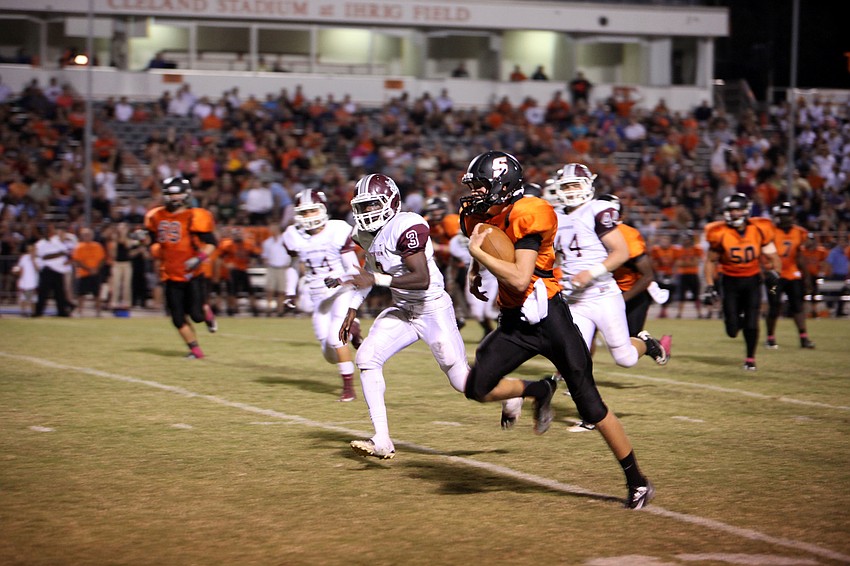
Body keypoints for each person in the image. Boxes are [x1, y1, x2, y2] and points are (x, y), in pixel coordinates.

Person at [459, 151, 655, 509]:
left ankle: (636, 479)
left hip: (550, 316)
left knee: (590, 404)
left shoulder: (529, 212)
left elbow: (519, 278)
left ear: (502, 184)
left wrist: (480, 256)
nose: (475, 193)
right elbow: (486, 239)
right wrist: (475, 268)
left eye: (481, 185)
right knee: (476, 386)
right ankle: (537, 389)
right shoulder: (480, 215)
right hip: (516, 320)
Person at [339, 174, 471, 460]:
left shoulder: (406, 224)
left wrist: (374, 279)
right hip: (403, 310)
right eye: (362, 207)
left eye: (373, 205)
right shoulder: (363, 234)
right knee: (366, 358)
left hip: (432, 308)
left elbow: (420, 278)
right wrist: (352, 308)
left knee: (461, 382)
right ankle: (382, 439)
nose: (366, 213)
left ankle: (512, 396)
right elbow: (368, 272)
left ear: (391, 202)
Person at [551, 164, 670, 371]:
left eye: (575, 185)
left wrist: (591, 273)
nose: (571, 191)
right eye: (567, 186)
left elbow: (621, 253)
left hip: (603, 294)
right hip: (575, 298)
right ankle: (581, 395)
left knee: (625, 358)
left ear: (588, 185)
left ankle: (647, 344)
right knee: (575, 354)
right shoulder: (555, 216)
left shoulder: (597, 209)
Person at [281, 189, 363, 402]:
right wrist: (290, 292)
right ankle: (353, 331)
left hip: (341, 291)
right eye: (304, 212)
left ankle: (348, 388)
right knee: (328, 354)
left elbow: (353, 266)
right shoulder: (292, 235)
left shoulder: (338, 229)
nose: (309, 216)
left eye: (312, 211)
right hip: (317, 295)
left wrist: (342, 279)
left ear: (323, 209)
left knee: (337, 339)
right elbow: (292, 265)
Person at [703, 193, 782, 371]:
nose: (734, 213)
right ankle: (737, 322)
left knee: (752, 321)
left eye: (737, 209)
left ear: (746, 211)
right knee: (732, 330)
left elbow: (773, 256)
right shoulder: (720, 232)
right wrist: (709, 285)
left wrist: (775, 273)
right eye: (731, 210)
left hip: (752, 281)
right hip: (729, 282)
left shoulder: (759, 229)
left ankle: (750, 358)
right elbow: (710, 261)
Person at [143, 176, 218, 359]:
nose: (173, 197)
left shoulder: (195, 215)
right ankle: (195, 350)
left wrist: (199, 259)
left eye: (177, 194)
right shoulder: (156, 215)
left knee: (197, 316)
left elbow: (211, 243)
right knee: (177, 318)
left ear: (186, 195)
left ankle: (206, 311)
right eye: (170, 194)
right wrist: (141, 237)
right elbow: (152, 238)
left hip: (192, 273)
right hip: (169, 273)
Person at [765, 202, 815, 349]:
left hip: (793, 274)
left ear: (791, 216)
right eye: (780, 216)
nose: (781, 219)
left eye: (784, 216)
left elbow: (800, 256)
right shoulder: (771, 231)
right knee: (774, 306)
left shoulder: (799, 232)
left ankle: (804, 337)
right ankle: (770, 337)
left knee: (797, 306)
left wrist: (806, 277)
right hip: (774, 274)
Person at [218, 228, 260, 316]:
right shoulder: (228, 244)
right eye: (236, 234)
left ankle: (254, 308)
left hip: (244, 269)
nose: (238, 236)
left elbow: (255, 255)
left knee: (250, 290)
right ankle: (232, 308)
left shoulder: (247, 244)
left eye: (239, 234)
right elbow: (220, 257)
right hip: (233, 270)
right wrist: (226, 264)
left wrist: (253, 261)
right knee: (232, 290)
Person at [34, 223, 73, 318]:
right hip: (47, 270)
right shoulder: (40, 244)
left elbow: (68, 253)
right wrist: (60, 254)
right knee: (43, 293)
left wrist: (67, 259)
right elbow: (44, 257)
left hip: (59, 271)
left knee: (59, 293)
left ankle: (62, 312)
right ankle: (38, 312)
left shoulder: (57, 241)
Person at [70, 227, 107, 317]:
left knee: (97, 294)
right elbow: (77, 261)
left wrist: (96, 268)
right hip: (83, 273)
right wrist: (89, 269)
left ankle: (98, 312)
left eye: (89, 234)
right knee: (81, 294)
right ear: (82, 236)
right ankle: (80, 311)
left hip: (96, 273)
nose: (88, 236)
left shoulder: (98, 246)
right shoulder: (79, 247)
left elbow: (102, 259)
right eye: (85, 235)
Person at [260, 222, 292, 317]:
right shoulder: (267, 242)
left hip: (283, 267)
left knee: (282, 290)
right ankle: (269, 309)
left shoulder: (285, 240)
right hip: (272, 267)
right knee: (270, 289)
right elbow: (265, 255)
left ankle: (280, 309)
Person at [673, 231, 705, 319]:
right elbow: (677, 263)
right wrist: (689, 262)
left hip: (693, 273)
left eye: (686, 238)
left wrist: (685, 263)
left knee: (696, 295)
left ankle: (699, 313)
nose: (685, 240)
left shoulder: (696, 249)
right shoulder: (678, 250)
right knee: (681, 296)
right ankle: (679, 313)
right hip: (682, 274)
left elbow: (696, 262)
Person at [799, 234, 828, 318]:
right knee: (801, 294)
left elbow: (825, 262)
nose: (809, 241)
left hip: (814, 276)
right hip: (803, 275)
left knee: (815, 294)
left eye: (811, 239)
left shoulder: (820, 251)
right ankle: (802, 311)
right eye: (808, 239)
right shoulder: (802, 250)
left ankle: (814, 311)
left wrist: (822, 271)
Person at [13, 242, 39, 317]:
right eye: (30, 250)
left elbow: (37, 269)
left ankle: (33, 313)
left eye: (33, 250)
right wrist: (16, 270)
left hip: (33, 282)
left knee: (33, 299)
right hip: (24, 282)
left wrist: (33, 260)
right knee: (23, 298)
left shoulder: (37, 259)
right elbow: (19, 267)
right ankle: (23, 312)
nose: (32, 251)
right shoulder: (24, 257)